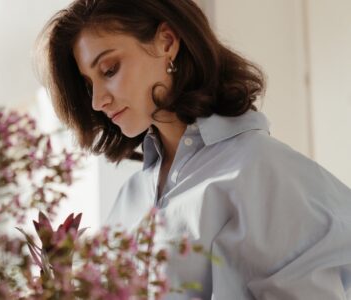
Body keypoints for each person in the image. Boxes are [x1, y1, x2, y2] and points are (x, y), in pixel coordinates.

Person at [36, 0, 351, 298]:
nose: (97, 100)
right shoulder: (130, 197)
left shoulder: (264, 171)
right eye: (89, 84)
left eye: (109, 70)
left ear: (167, 42)